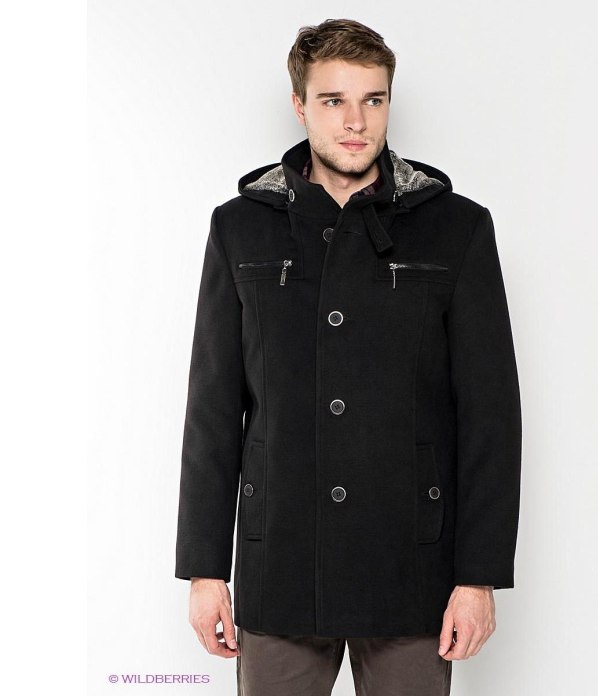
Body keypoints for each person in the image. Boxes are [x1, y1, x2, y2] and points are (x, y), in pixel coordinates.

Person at [175, 17, 522, 696]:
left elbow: (490, 416)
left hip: (411, 568)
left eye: (373, 99)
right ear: (300, 105)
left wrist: (478, 578)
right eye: (333, 100)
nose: (355, 122)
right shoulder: (240, 227)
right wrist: (204, 568)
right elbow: (212, 409)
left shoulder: (455, 227)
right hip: (279, 566)